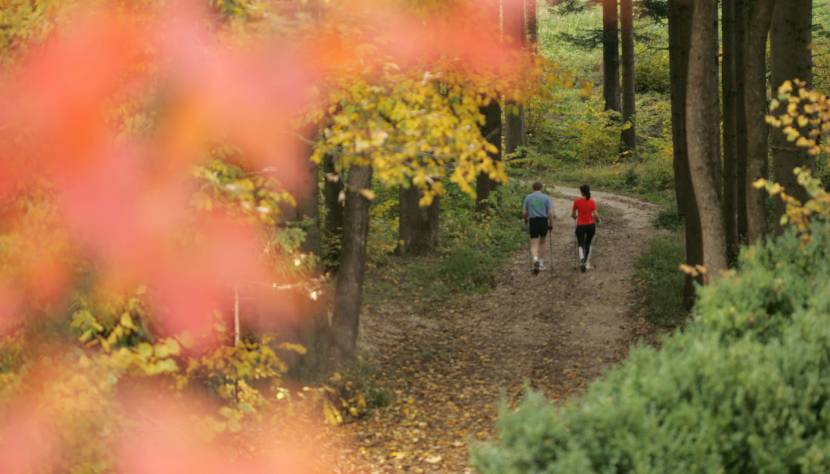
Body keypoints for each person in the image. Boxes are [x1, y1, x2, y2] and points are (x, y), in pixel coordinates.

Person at [523, 182, 555, 273]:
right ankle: (541, 263)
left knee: (533, 244)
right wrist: (551, 224)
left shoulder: (528, 197)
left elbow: (524, 213)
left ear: (532, 188)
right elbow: (550, 213)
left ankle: (535, 260)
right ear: (541, 188)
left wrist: (525, 219)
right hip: (543, 221)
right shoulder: (546, 197)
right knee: (543, 242)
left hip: (533, 221)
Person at [571, 184, 601, 272]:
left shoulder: (577, 201)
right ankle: (587, 263)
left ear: (581, 192)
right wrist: (598, 220)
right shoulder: (592, 202)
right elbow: (595, 214)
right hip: (591, 225)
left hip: (581, 225)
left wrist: (574, 217)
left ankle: (582, 258)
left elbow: (573, 214)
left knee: (580, 243)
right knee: (588, 243)